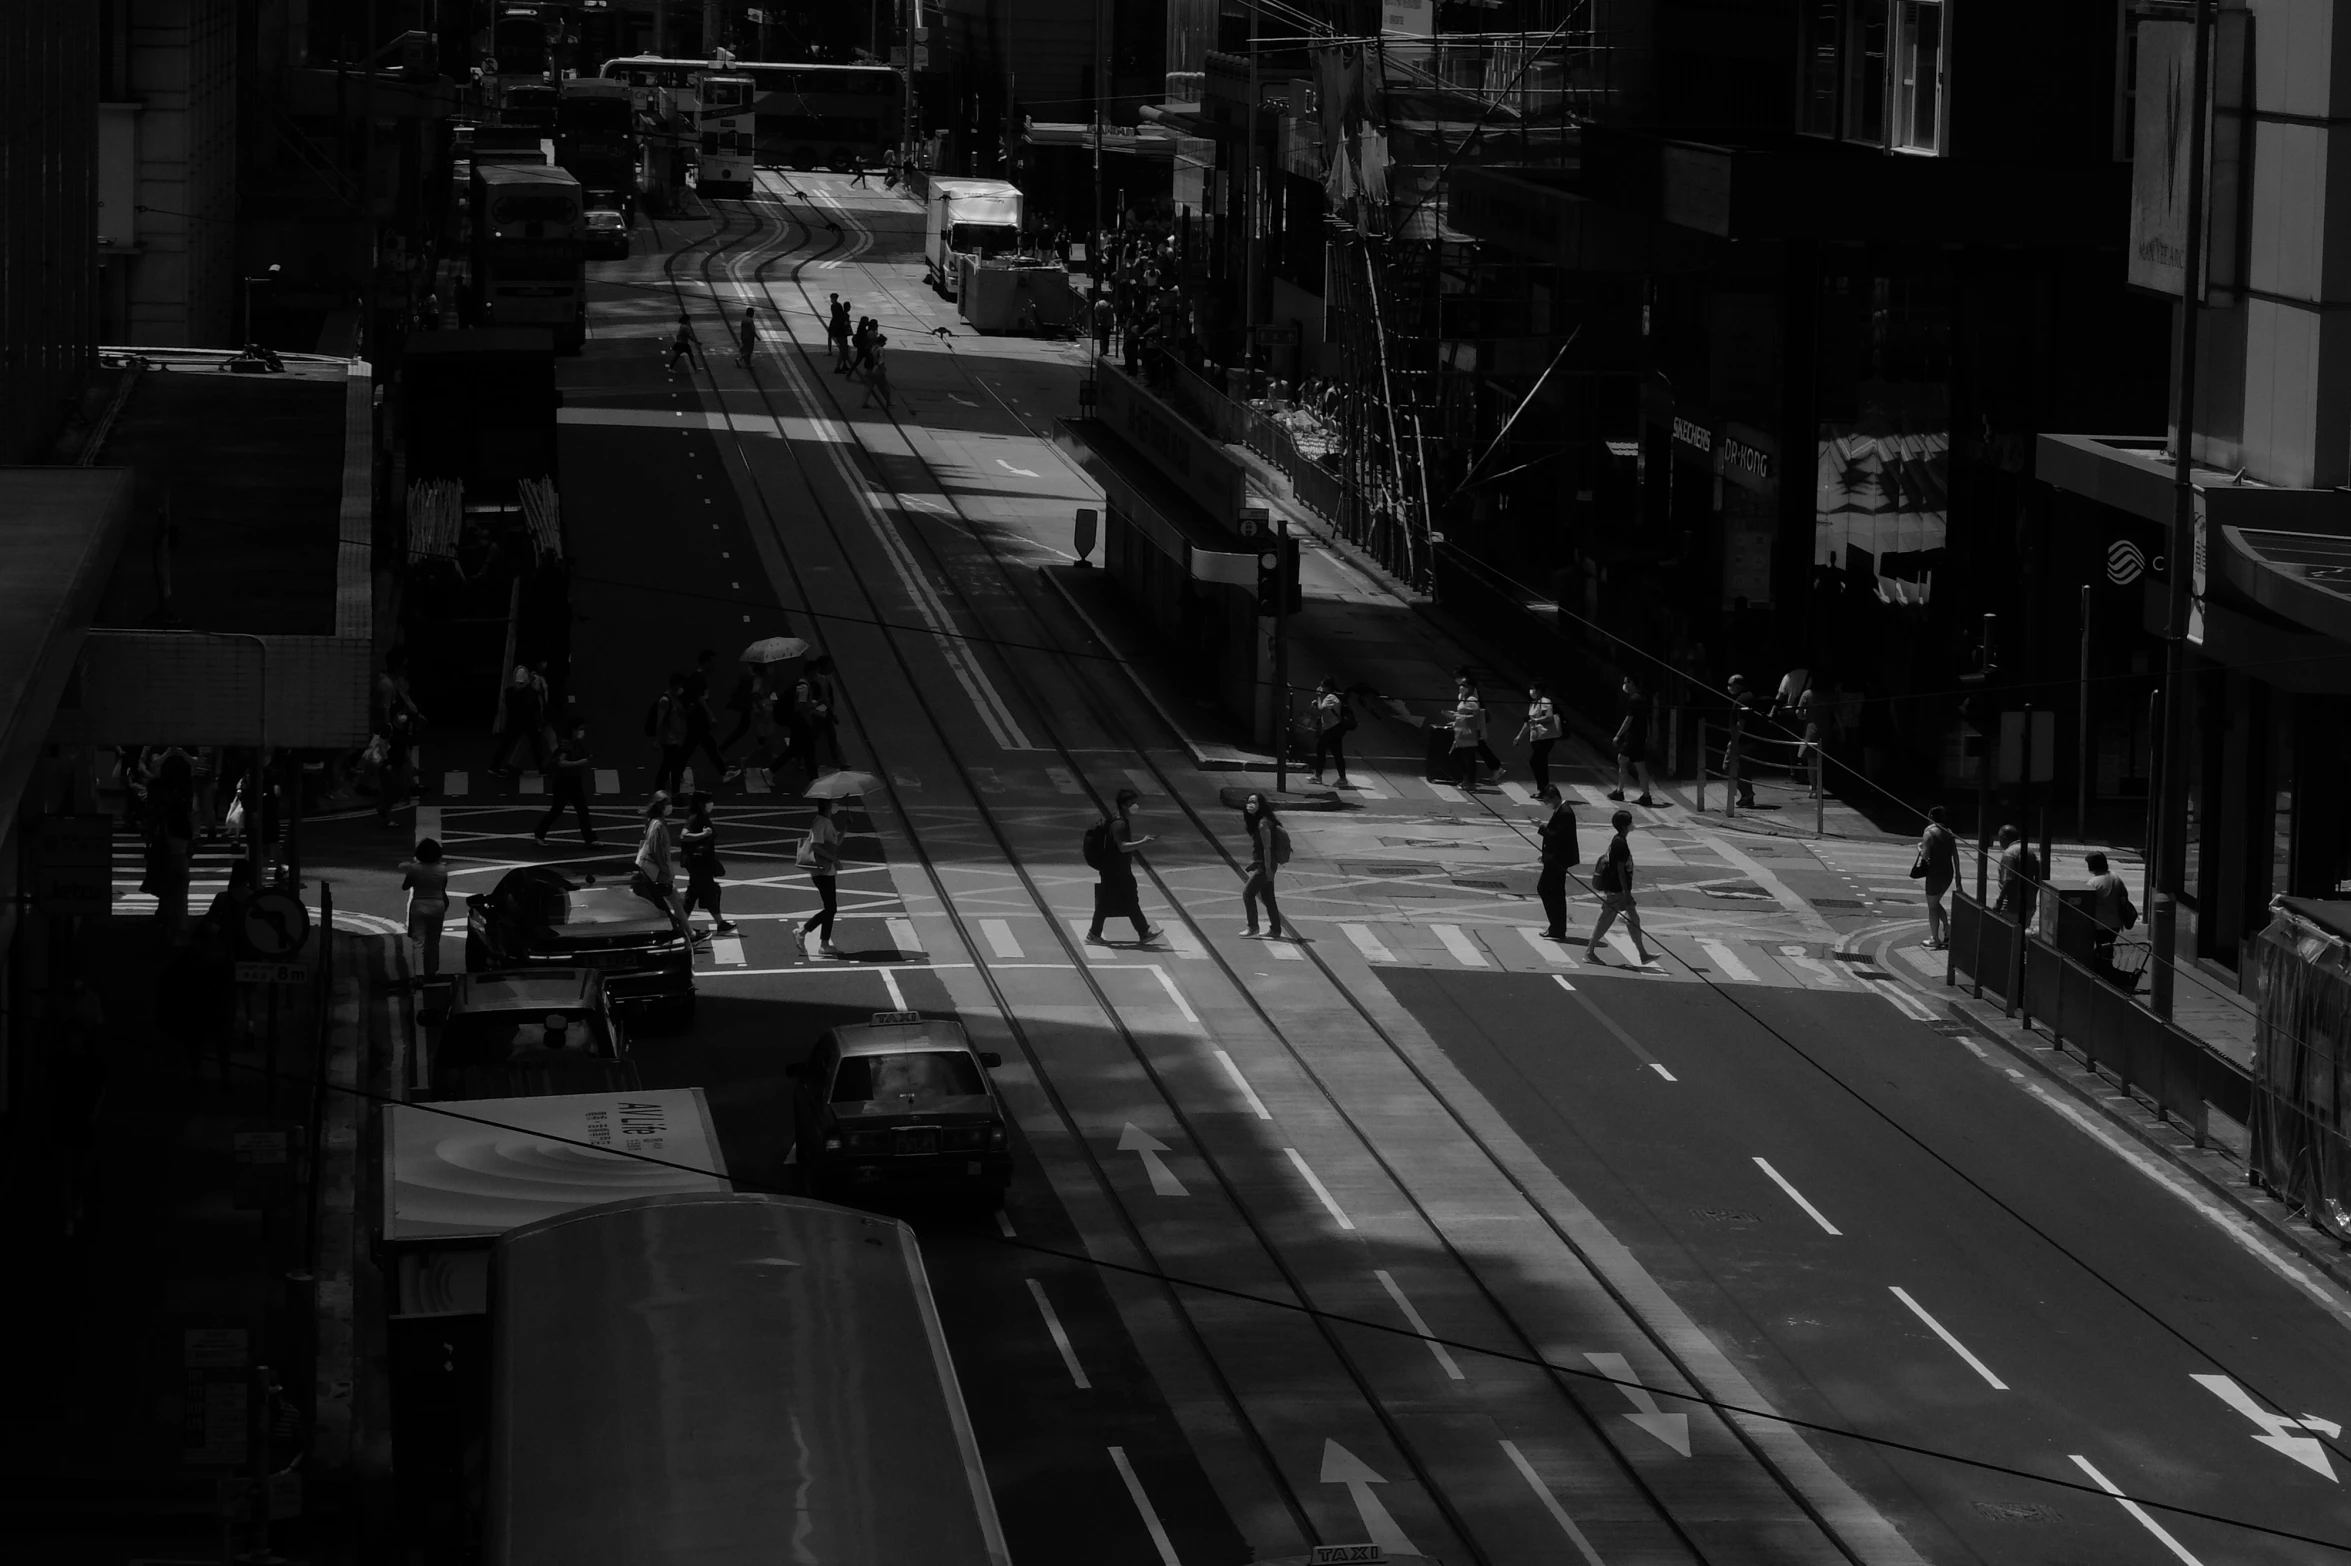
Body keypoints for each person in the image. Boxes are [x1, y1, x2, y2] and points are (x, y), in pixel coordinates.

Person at [1085, 786, 1160, 944]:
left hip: (1119, 869)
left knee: (1130, 899)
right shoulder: (1120, 824)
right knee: (1107, 901)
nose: (1136, 806)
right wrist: (1143, 842)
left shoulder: (1119, 820)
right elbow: (1122, 846)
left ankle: (1144, 932)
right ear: (1124, 805)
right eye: (1133, 803)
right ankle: (1094, 934)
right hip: (1114, 870)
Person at [1584, 808, 1655, 965]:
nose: (1632, 825)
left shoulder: (1619, 840)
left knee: (1632, 920)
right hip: (1617, 891)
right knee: (1606, 920)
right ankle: (1589, 952)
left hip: (1619, 890)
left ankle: (1643, 954)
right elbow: (1620, 871)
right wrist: (1626, 893)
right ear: (1625, 825)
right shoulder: (1620, 843)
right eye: (1630, 822)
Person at [681, 648, 739, 786]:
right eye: (713, 662)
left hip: (698, 719)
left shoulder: (699, 678)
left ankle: (723, 773)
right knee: (693, 748)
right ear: (706, 663)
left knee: (706, 747)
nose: (715, 666)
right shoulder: (697, 678)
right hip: (696, 719)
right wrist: (710, 716)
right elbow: (699, 699)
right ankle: (723, 773)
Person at [535, 722, 599, 846]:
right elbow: (561, 762)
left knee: (582, 810)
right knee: (557, 810)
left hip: (574, 781)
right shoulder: (566, 745)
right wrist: (579, 762)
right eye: (580, 729)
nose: (582, 732)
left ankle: (590, 839)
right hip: (563, 782)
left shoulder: (578, 744)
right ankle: (539, 833)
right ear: (573, 730)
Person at [678, 796, 735, 937]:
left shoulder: (700, 817)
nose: (711, 804)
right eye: (708, 802)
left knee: (695, 894)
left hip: (701, 862)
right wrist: (703, 834)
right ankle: (720, 924)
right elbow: (684, 836)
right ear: (702, 804)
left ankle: (680, 925)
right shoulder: (695, 818)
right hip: (698, 863)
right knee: (708, 891)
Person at [796, 797, 844, 957]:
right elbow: (816, 846)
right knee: (831, 908)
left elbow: (834, 844)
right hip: (821, 871)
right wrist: (834, 860)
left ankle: (824, 944)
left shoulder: (827, 821)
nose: (836, 806)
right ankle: (802, 931)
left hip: (827, 870)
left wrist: (846, 827)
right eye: (833, 804)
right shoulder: (820, 822)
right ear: (828, 806)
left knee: (831, 908)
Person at [1237, 791, 1289, 939]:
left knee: (1248, 893)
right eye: (1248, 801)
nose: (1250, 804)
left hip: (1266, 865)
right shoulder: (1260, 821)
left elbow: (1267, 847)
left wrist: (1267, 869)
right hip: (1264, 864)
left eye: (1254, 802)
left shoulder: (1263, 823)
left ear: (1260, 805)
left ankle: (1253, 927)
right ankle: (1275, 929)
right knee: (1268, 898)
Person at [632, 793, 686, 929]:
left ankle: (687, 931)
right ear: (662, 806)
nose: (670, 807)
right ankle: (686, 931)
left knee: (674, 902)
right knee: (669, 905)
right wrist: (665, 869)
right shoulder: (658, 825)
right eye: (668, 804)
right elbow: (656, 850)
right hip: (657, 874)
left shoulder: (653, 822)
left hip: (654, 873)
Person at [401, 838, 452, 980]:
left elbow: (405, 886)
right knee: (434, 941)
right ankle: (433, 971)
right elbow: (443, 888)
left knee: (418, 941)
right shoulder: (442, 869)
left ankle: (419, 974)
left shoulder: (415, 869)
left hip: (419, 905)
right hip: (437, 906)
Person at [489, 663, 549, 777]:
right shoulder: (531, 693)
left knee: (506, 744)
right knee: (536, 744)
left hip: (514, 723)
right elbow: (535, 707)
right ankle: (541, 768)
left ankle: (494, 765)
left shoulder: (509, 693)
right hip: (528, 722)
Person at [1536, 795, 1581, 941]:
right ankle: (1556, 927)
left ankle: (1557, 927)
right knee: (1553, 892)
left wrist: (1540, 827)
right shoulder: (1561, 810)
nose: (1546, 804)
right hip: (1554, 858)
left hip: (1558, 861)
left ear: (1555, 797)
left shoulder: (1565, 813)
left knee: (1547, 890)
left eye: (1547, 801)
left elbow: (1555, 836)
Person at [1608, 675, 1657, 806]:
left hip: (1632, 737)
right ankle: (1646, 796)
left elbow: (1628, 720)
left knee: (1622, 760)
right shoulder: (1645, 698)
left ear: (1632, 683)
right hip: (1640, 737)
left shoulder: (1634, 700)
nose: (1625, 686)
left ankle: (1619, 792)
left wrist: (1618, 735)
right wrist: (1649, 736)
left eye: (1627, 683)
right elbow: (1647, 720)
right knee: (1640, 766)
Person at [1914, 804, 1958, 949]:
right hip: (1948, 873)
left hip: (1934, 874)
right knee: (1936, 902)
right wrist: (1959, 875)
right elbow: (1955, 855)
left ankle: (1935, 939)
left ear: (1931, 817)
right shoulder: (1949, 833)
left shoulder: (1929, 833)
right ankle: (1947, 929)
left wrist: (1919, 847)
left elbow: (1925, 856)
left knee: (1932, 907)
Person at [2083, 849, 2135, 966]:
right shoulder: (2116, 877)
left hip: (2099, 923)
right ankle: (2107, 969)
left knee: (2100, 950)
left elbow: (2087, 904)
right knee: (2107, 948)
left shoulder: (2093, 883)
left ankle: (2103, 973)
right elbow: (2124, 897)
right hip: (2116, 923)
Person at [1515, 682, 1562, 802]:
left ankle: (1544, 790)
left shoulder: (1545, 701)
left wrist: (1536, 720)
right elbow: (1528, 723)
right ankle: (1544, 791)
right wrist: (1519, 736)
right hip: (1536, 738)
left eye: (1533, 689)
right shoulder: (1533, 704)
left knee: (1535, 762)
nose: (1531, 691)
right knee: (1540, 764)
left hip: (1545, 738)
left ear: (1540, 690)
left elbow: (1549, 716)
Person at [650, 672, 691, 796]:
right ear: (676, 685)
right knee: (671, 767)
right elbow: (659, 720)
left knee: (670, 766)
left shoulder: (675, 698)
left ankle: (664, 792)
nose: (682, 689)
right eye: (681, 686)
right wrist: (657, 739)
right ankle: (670, 793)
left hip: (676, 739)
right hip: (668, 740)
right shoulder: (665, 700)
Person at [1723, 673, 1761, 809]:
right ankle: (1747, 797)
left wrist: (1733, 740)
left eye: (1730, 685)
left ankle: (1747, 794)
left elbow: (1741, 723)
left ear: (1738, 685)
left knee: (1730, 767)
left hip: (1741, 740)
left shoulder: (1743, 700)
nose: (1728, 688)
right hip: (1748, 739)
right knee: (1743, 768)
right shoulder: (1749, 697)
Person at [1447, 675, 1491, 791]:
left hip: (1469, 733)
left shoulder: (1471, 700)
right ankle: (1466, 778)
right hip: (1461, 731)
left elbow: (1475, 716)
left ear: (1471, 688)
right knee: (1457, 755)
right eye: (1461, 685)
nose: (1461, 687)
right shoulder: (1463, 698)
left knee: (1467, 757)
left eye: (1464, 685)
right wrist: (1455, 719)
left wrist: (1458, 716)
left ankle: (1470, 781)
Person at [802, 654, 846, 768]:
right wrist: (829, 713)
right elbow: (820, 700)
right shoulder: (817, 681)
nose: (832, 668)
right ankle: (836, 760)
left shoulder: (822, 679)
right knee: (824, 736)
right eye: (830, 666)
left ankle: (836, 760)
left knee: (820, 736)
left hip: (821, 713)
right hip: (819, 714)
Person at [1308, 677, 1351, 787]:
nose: (1320, 688)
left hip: (1332, 728)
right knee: (1337, 753)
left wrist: (1318, 696)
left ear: (1326, 687)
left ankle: (1318, 776)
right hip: (1334, 728)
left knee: (1321, 749)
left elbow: (1322, 709)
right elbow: (1323, 711)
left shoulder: (1330, 697)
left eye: (1322, 686)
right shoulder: (1330, 697)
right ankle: (1342, 778)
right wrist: (1318, 702)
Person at [1994, 824, 2037, 925]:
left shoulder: (2009, 854)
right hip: (2029, 904)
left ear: (2004, 838)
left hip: (2011, 907)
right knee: (2022, 936)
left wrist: (1999, 902)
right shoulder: (2030, 851)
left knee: (2007, 936)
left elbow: (2009, 879)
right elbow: (2038, 876)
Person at [861, 332, 895, 412]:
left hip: (870, 369)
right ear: (881, 342)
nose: (885, 343)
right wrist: (883, 370)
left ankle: (864, 402)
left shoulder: (873, 348)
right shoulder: (881, 349)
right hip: (877, 371)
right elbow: (881, 362)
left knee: (868, 386)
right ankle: (888, 401)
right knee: (885, 387)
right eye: (884, 342)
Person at [667, 311, 702, 376]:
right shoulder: (685, 327)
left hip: (681, 344)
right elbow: (689, 337)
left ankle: (671, 368)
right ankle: (695, 369)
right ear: (687, 320)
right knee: (684, 356)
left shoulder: (682, 326)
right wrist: (697, 342)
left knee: (682, 356)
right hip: (683, 345)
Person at [832, 298, 856, 372]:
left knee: (844, 350)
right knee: (842, 351)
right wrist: (848, 323)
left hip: (841, 334)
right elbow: (844, 324)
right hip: (842, 334)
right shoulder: (845, 315)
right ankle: (838, 367)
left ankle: (844, 365)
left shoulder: (841, 314)